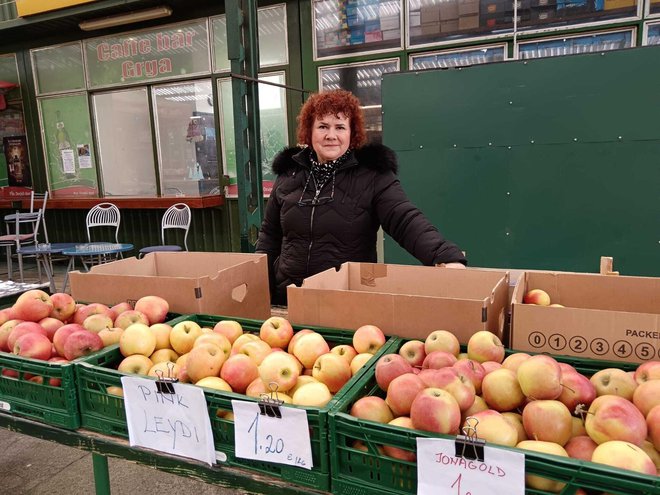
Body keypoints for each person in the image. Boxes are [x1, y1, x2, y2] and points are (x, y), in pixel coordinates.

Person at [256, 89, 467, 305]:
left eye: (340, 127)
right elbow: (269, 236)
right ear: (309, 131)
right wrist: (258, 286)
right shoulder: (289, 173)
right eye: (322, 126)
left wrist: (443, 256)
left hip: (347, 301)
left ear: (352, 133)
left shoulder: (372, 175)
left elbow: (404, 218)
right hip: (289, 298)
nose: (331, 135)